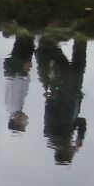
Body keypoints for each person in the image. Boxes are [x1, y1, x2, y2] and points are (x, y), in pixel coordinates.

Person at [37, 37, 88, 165]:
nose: (73, 151)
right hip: (74, 93)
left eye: (71, 153)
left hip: (63, 89)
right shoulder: (67, 136)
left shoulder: (55, 136)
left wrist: (55, 95)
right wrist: (80, 138)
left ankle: (50, 40)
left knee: (62, 60)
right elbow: (81, 121)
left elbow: (49, 110)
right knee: (80, 58)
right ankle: (81, 36)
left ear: (66, 152)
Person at [3, 33, 35, 133]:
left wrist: (23, 70)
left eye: (23, 124)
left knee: (26, 44)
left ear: (17, 122)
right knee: (22, 44)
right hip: (16, 70)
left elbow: (15, 87)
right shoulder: (12, 109)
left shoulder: (14, 106)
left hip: (18, 70)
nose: (26, 120)